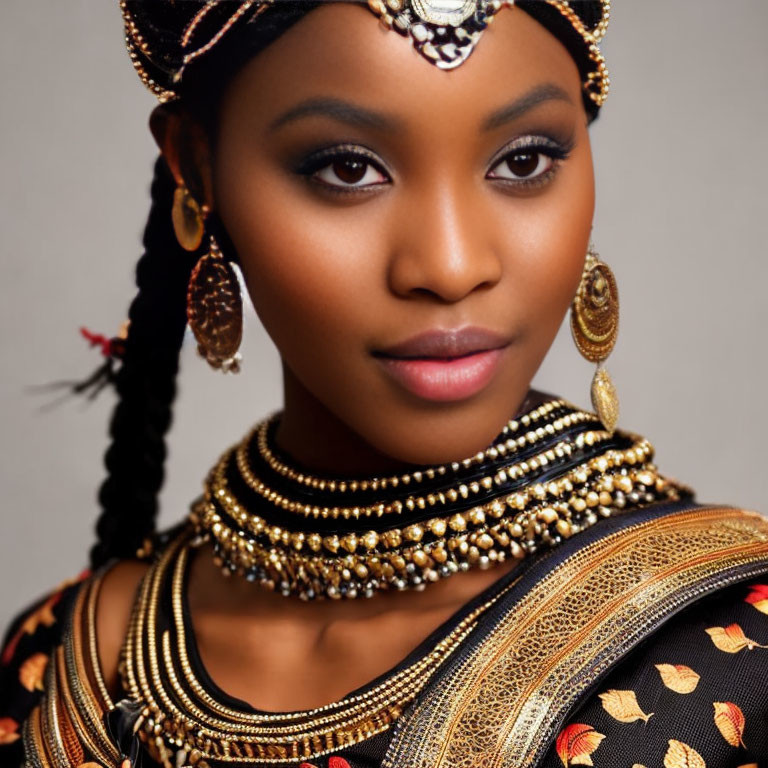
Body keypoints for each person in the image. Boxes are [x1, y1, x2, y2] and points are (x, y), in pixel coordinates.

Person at [1, 1, 767, 766]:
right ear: (197, 169)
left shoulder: (735, 641)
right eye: (347, 168)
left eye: (524, 160)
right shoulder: (74, 650)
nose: (451, 264)